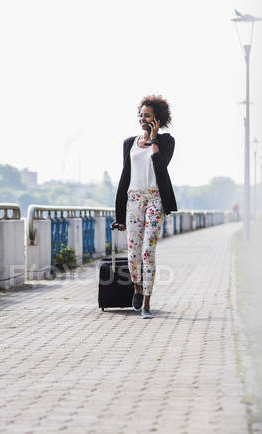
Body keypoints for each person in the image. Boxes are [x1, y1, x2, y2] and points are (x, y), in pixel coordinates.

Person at [112, 95, 178, 319]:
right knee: (134, 253)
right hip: (133, 200)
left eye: (147, 115)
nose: (142, 118)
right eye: (140, 115)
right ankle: (137, 289)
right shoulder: (129, 143)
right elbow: (124, 178)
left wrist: (153, 139)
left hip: (155, 198)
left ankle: (147, 303)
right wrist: (120, 216)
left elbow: (160, 167)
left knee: (148, 251)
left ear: (157, 118)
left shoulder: (166, 142)